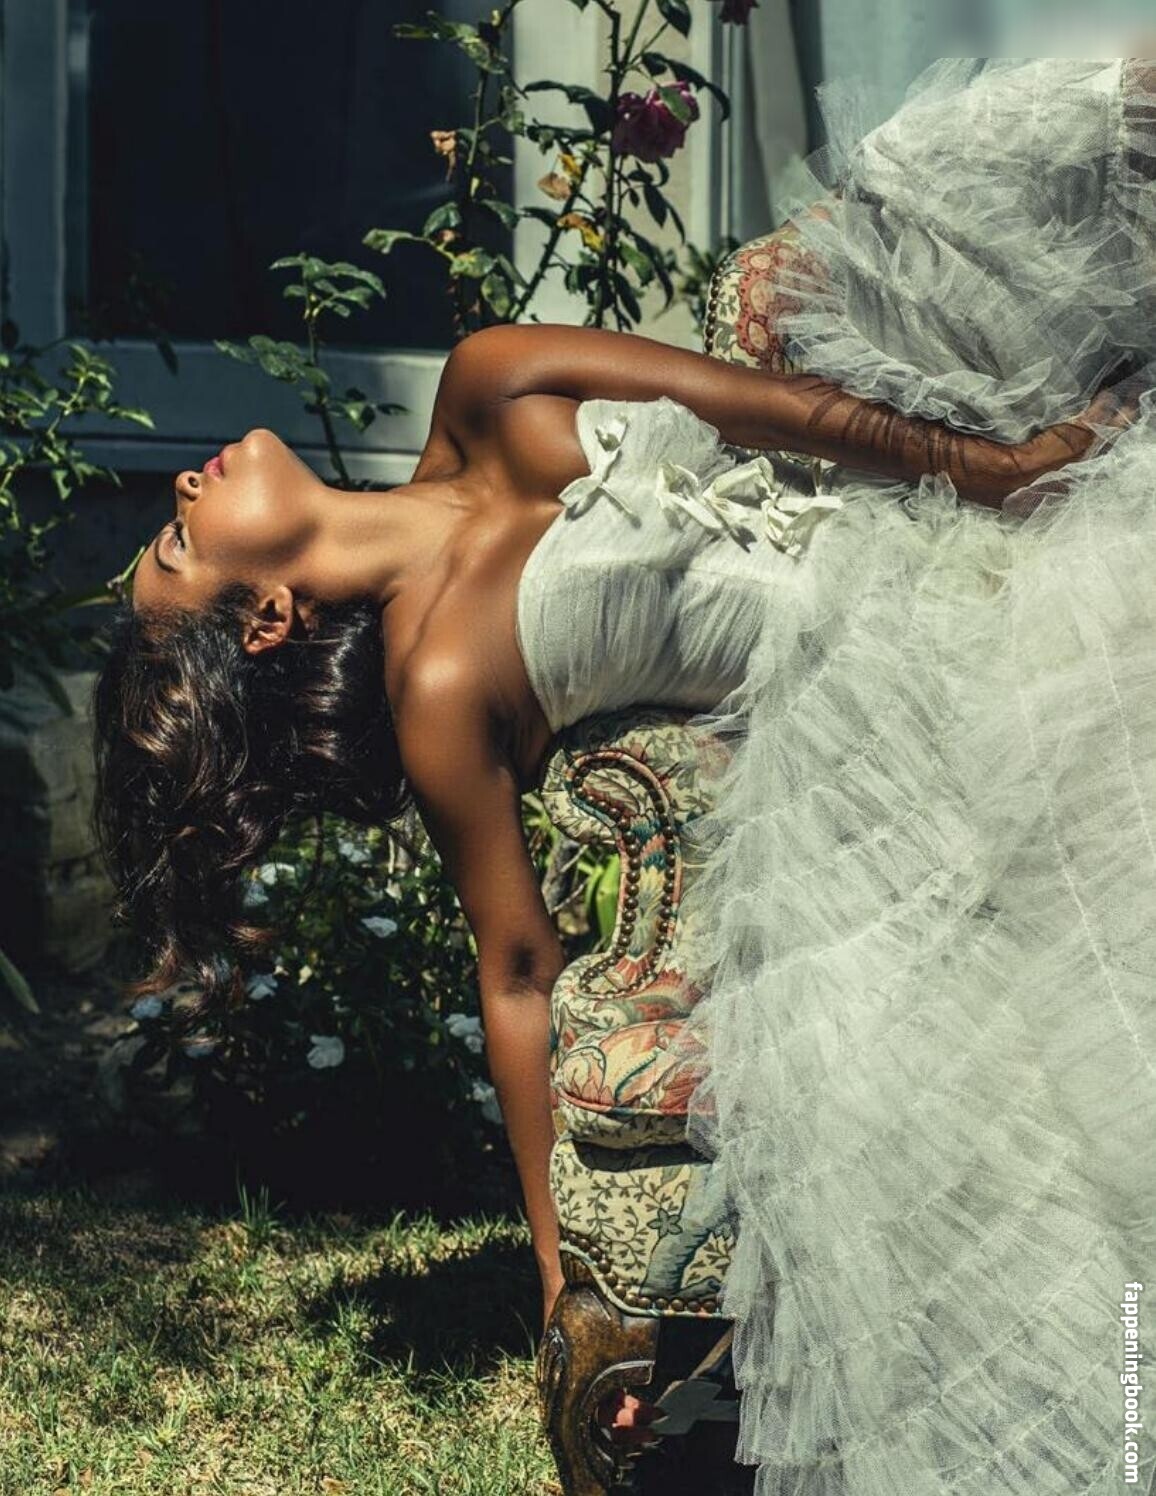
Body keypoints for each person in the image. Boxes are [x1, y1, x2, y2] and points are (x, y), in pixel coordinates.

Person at [90, 54, 1155, 1493]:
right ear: (265, 619)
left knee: (965, 152)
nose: (183, 485)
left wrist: (990, 468)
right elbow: (519, 972)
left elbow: (755, 403)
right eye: (180, 543)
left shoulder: (485, 378)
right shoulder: (438, 691)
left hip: (912, 472)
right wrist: (563, 1287)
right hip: (899, 641)